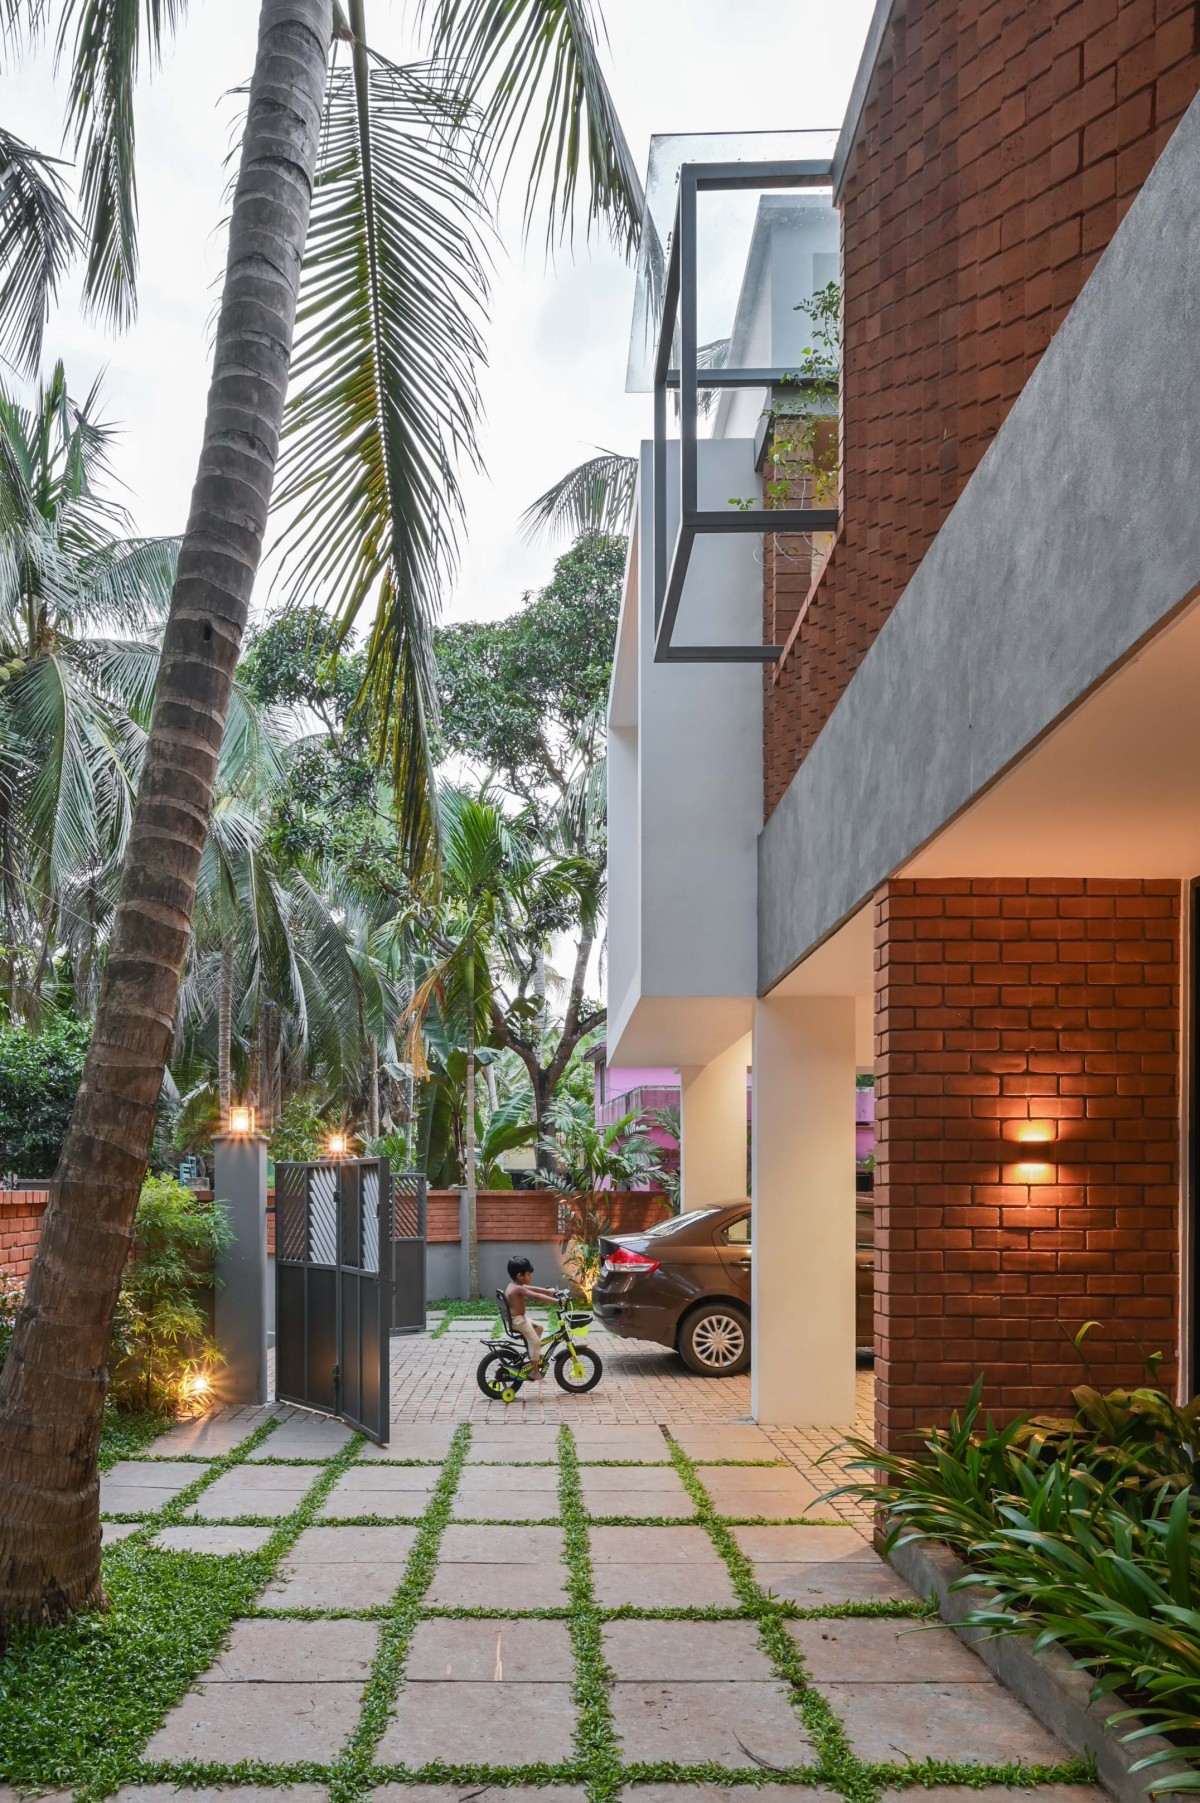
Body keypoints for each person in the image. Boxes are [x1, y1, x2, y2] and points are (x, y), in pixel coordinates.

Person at [504, 1255, 559, 1382]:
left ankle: (533, 1354)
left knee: (539, 1327)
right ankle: (535, 1372)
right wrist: (557, 1301)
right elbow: (536, 1296)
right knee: (536, 1342)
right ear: (520, 1275)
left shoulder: (515, 1284)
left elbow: (534, 1289)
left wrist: (549, 1292)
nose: (531, 1277)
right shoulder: (517, 1288)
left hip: (519, 1319)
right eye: (529, 1274)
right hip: (518, 1321)